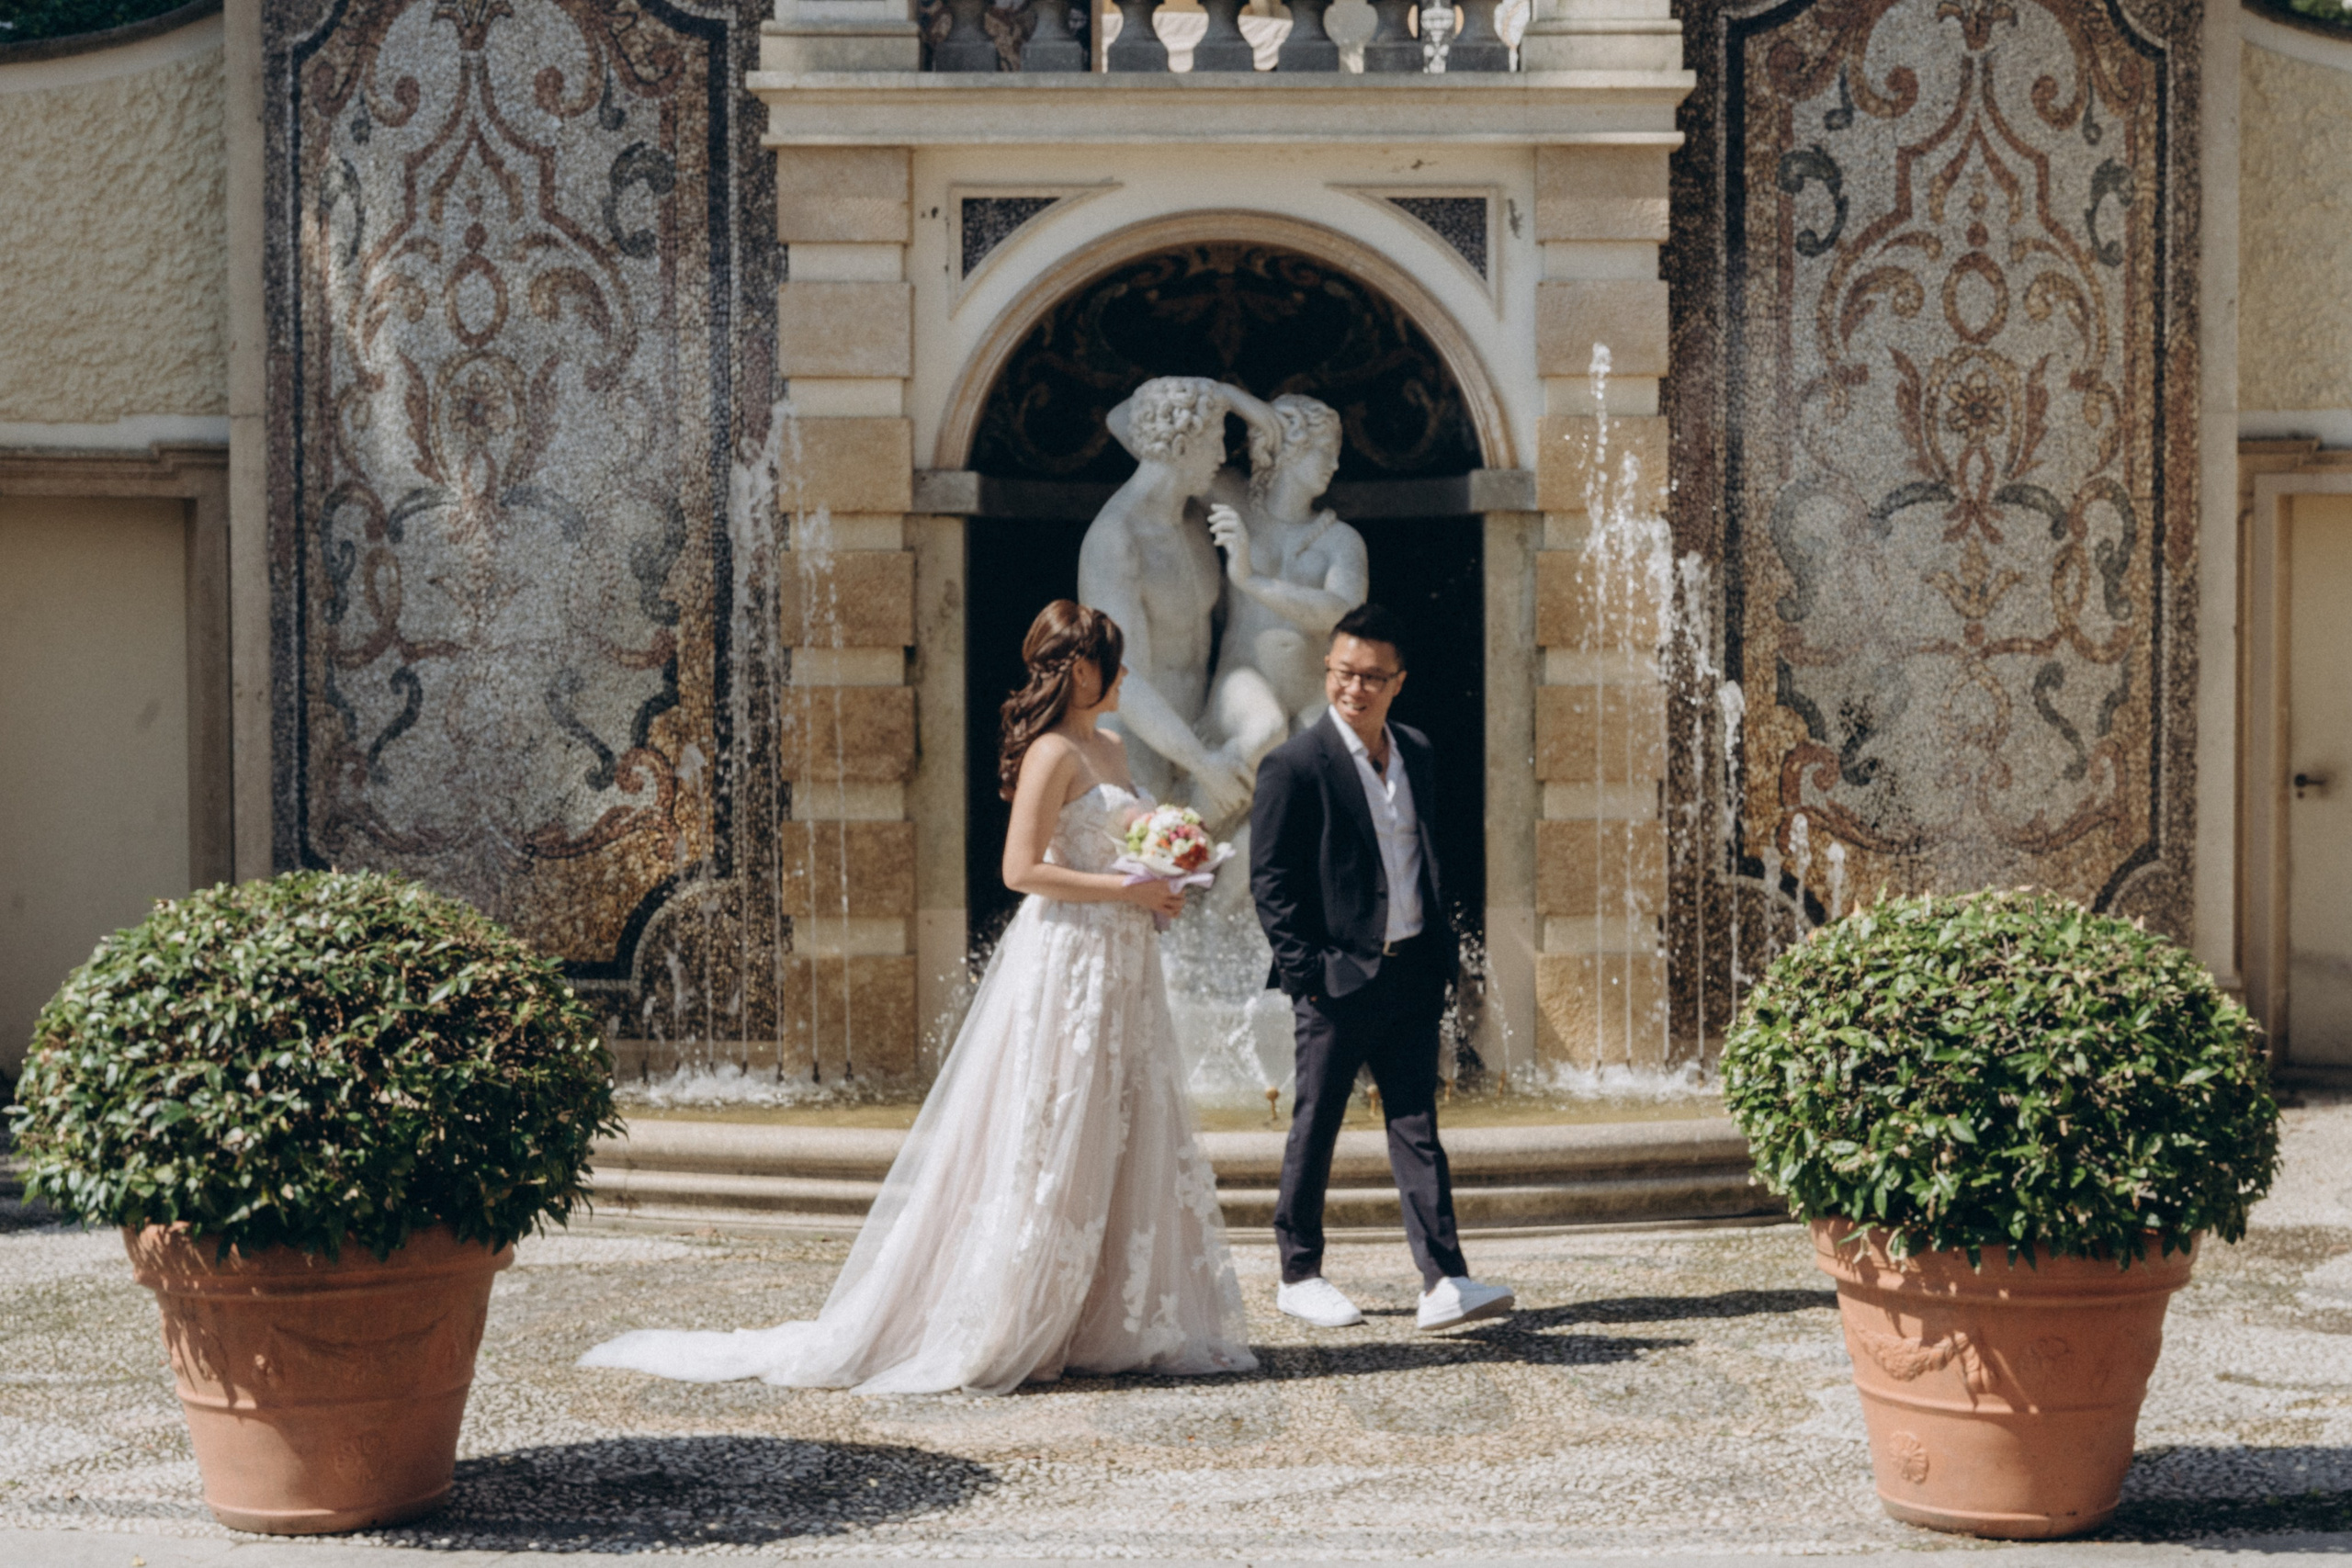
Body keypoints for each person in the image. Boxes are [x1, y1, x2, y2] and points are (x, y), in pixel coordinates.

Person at [579, 602, 1256, 1393]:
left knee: (1121, 1117)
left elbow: (1117, 846)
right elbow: (1020, 870)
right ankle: (1020, 1312)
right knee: (1053, 1121)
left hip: (1122, 959)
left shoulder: (1111, 745)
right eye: (1115, 661)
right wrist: (1126, 888)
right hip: (1068, 956)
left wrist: (1161, 878)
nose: (1126, 674)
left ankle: (1098, 1314)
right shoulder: (1052, 753)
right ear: (1081, 670)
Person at [1248, 603, 1516, 1333]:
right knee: (1316, 1124)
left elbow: (1424, 855)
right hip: (1337, 980)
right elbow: (1270, 882)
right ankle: (1298, 1272)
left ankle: (1444, 1279)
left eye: (1371, 676)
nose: (1354, 688)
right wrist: (1309, 973)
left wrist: (1438, 953)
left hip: (1411, 971)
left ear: (1398, 681)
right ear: (1327, 671)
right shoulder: (1293, 764)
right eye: (1343, 672)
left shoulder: (1416, 751)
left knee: (1416, 1123)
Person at [1077, 377, 1254, 823]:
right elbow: (1124, 675)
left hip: (1200, 729)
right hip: (1138, 745)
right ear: (1181, 448)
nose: (1222, 457)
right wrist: (1203, 763)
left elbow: (1127, 419)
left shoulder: (1193, 518)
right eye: (1214, 442)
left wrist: (1231, 397)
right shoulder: (1116, 537)